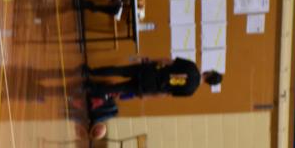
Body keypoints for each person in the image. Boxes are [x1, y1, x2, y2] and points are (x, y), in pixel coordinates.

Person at [84, 57, 223, 99]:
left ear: (210, 73)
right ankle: (91, 88)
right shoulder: (190, 91)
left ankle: (91, 72)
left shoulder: (192, 66)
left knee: (119, 71)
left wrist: (150, 60)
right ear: (209, 84)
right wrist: (147, 95)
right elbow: (166, 94)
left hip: (151, 71)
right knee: (118, 88)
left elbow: (168, 61)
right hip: (151, 87)